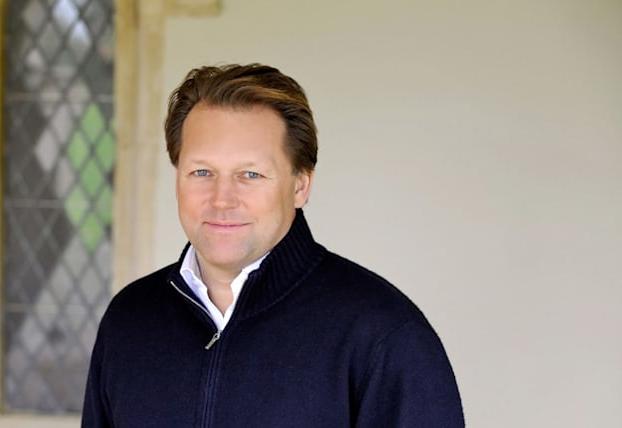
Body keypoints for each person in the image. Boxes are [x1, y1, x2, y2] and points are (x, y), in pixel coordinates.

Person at [82, 63, 465, 427]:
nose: (222, 199)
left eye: (250, 174)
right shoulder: (128, 321)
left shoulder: (383, 335)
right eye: (201, 172)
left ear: (300, 185)